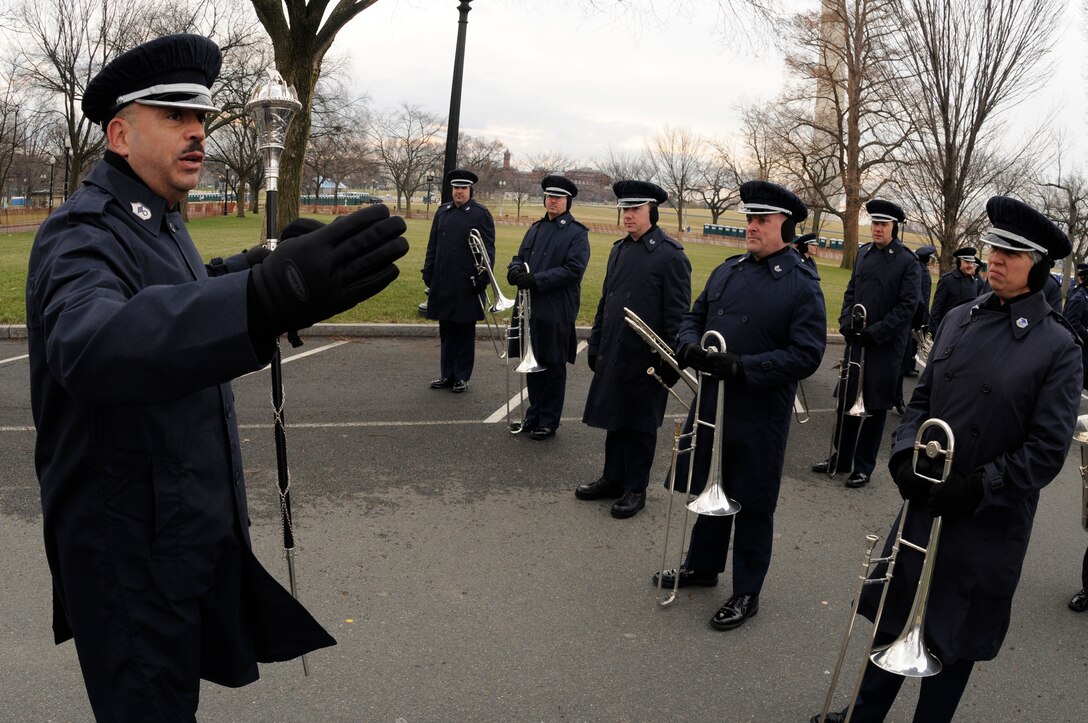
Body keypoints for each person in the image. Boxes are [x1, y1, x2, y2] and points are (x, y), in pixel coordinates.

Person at [24, 34, 409, 719]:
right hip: (129, 560)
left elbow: (179, 290)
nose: (197, 131)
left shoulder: (159, 222)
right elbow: (94, 341)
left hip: (176, 543)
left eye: (199, 117)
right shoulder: (80, 234)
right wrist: (261, 299)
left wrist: (262, 269)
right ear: (118, 133)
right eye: (173, 115)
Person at [816, 195, 1082, 723]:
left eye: (1012, 253)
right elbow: (920, 402)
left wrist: (978, 486)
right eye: (993, 248)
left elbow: (1047, 451)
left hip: (987, 519)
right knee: (893, 622)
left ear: (1040, 265)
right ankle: (863, 715)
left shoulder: (1059, 347)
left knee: (952, 641)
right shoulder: (960, 317)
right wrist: (901, 456)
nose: (995, 260)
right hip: (925, 501)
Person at [652, 181, 826, 630]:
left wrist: (744, 367)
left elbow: (807, 354)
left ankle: (747, 590)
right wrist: (688, 345)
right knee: (712, 489)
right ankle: (703, 566)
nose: (751, 227)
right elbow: (694, 316)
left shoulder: (801, 283)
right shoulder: (728, 271)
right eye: (749, 219)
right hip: (714, 402)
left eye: (761, 220)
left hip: (760, 412)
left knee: (752, 502)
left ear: (784, 225)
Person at [577, 180, 691, 519]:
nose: (627, 216)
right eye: (624, 209)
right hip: (616, 349)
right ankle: (613, 478)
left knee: (640, 425)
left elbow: (677, 315)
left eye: (635, 210)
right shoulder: (619, 249)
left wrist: (671, 362)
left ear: (651, 212)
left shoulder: (671, 256)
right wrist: (596, 343)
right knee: (616, 417)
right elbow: (606, 302)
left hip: (648, 359)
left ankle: (635, 488)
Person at [812, 199, 920, 488]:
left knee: (874, 408)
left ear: (894, 227)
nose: (877, 229)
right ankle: (841, 458)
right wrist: (847, 322)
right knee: (847, 403)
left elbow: (907, 307)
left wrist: (875, 332)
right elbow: (851, 291)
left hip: (884, 346)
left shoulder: (907, 262)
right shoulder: (863, 254)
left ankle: (863, 466)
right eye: (874, 224)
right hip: (857, 342)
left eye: (883, 225)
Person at [506, 175, 590, 440]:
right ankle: (534, 415)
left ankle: (549, 421)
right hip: (529, 307)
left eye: (558, 197)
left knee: (552, 366)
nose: (552, 201)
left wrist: (537, 280)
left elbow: (573, 270)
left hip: (556, 309)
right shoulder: (536, 228)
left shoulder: (577, 233)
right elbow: (519, 256)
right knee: (532, 363)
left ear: (568, 201)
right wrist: (515, 270)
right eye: (549, 196)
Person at [422, 169, 496, 393]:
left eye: (463, 188)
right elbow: (433, 244)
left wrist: (482, 278)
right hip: (444, 281)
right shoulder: (442, 212)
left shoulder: (480, 214)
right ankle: (447, 374)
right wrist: (429, 271)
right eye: (456, 188)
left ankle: (461, 376)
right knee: (446, 331)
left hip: (467, 283)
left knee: (464, 333)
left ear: (470, 190)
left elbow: (487, 250)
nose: (459, 192)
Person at [928, 247, 979, 335]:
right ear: (958, 262)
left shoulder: (973, 282)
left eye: (972, 262)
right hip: (947, 329)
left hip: (965, 331)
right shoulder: (947, 280)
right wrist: (933, 330)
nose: (971, 266)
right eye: (967, 262)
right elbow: (937, 306)